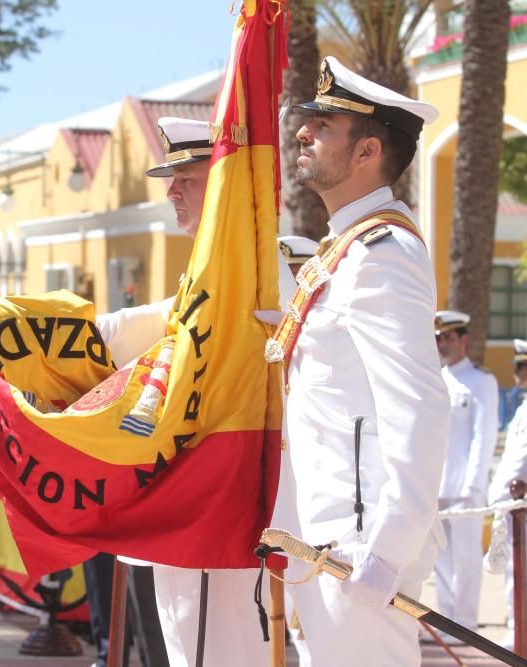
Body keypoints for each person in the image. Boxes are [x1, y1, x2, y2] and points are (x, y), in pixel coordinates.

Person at [95, 116, 298, 667]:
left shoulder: (256, 263)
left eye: (187, 176)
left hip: (226, 492)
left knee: (219, 648)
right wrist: (60, 336)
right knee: (191, 644)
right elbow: (158, 324)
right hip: (192, 487)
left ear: (227, 181)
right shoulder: (212, 265)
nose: (171, 191)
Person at [280, 56, 448, 666]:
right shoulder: (345, 250)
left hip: (358, 545)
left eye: (323, 125)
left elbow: (420, 407)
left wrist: (388, 552)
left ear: (367, 151)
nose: (303, 132)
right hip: (325, 537)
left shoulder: (382, 253)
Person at [433, 310, 498, 637]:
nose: (442, 342)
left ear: (464, 341)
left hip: (465, 487)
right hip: (437, 485)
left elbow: (483, 436)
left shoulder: (481, 381)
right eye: (439, 337)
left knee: (467, 559)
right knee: (440, 559)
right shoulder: (436, 379)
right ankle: (447, 622)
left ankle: (466, 623)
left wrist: (473, 484)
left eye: (448, 337)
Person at [488, 338, 527, 649]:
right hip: (515, 502)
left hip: (520, 503)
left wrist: (504, 494)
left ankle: (521, 633)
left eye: (522, 367)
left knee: (521, 573)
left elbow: (520, 464)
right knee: (516, 572)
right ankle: (517, 629)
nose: (517, 374)